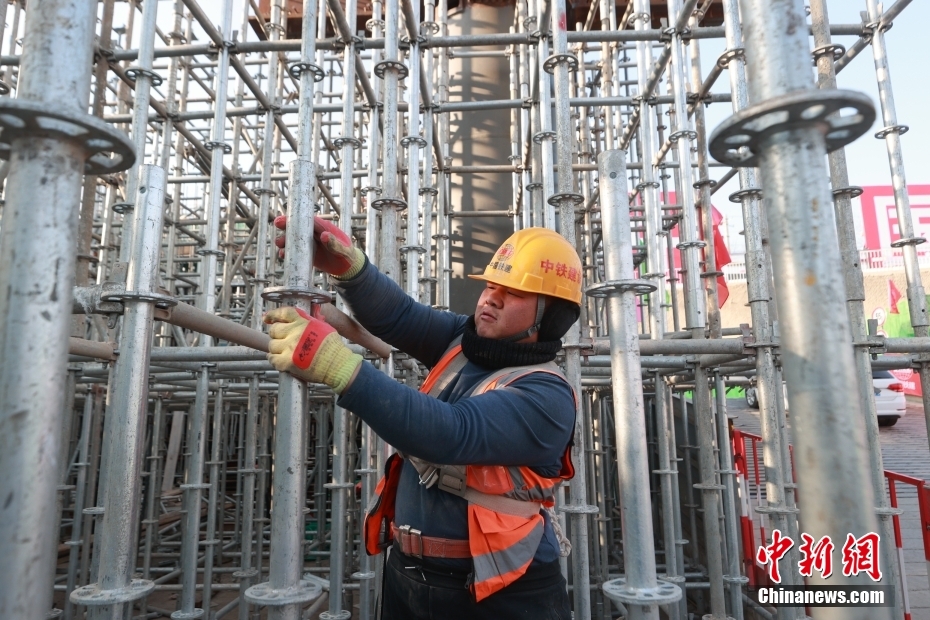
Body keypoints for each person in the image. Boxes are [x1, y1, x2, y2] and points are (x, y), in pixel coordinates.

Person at [265, 217, 583, 620]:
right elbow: (399, 316)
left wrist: (339, 367)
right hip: (409, 575)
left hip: (499, 593)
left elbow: (450, 433)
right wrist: (349, 268)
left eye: (513, 293)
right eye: (490, 285)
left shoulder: (547, 396)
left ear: (552, 317)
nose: (490, 299)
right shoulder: (465, 340)